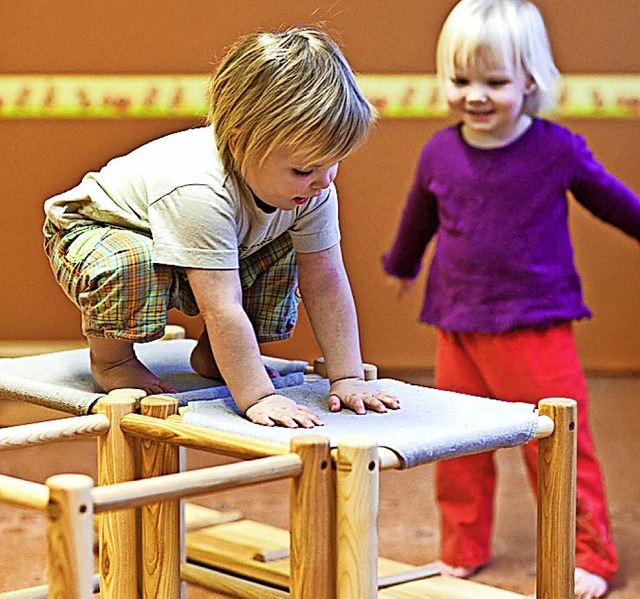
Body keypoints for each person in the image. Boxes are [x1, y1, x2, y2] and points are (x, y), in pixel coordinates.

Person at [382, 0, 640, 597]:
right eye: (459, 79)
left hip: (536, 325)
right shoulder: (439, 152)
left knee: (558, 444)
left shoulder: (557, 148)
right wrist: (400, 263)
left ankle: (591, 556)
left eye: (494, 82)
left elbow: (613, 200)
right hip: (458, 322)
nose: (474, 94)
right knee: (460, 447)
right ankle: (462, 545)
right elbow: (417, 218)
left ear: (530, 80)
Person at [44, 26, 399, 429]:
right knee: (131, 261)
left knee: (285, 252)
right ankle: (112, 360)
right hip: (93, 231)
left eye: (334, 162)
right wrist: (258, 396)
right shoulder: (200, 190)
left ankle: (214, 356)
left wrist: (348, 376)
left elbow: (326, 282)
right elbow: (220, 305)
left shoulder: (313, 190)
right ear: (238, 144)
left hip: (198, 246)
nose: (325, 181)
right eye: (304, 169)